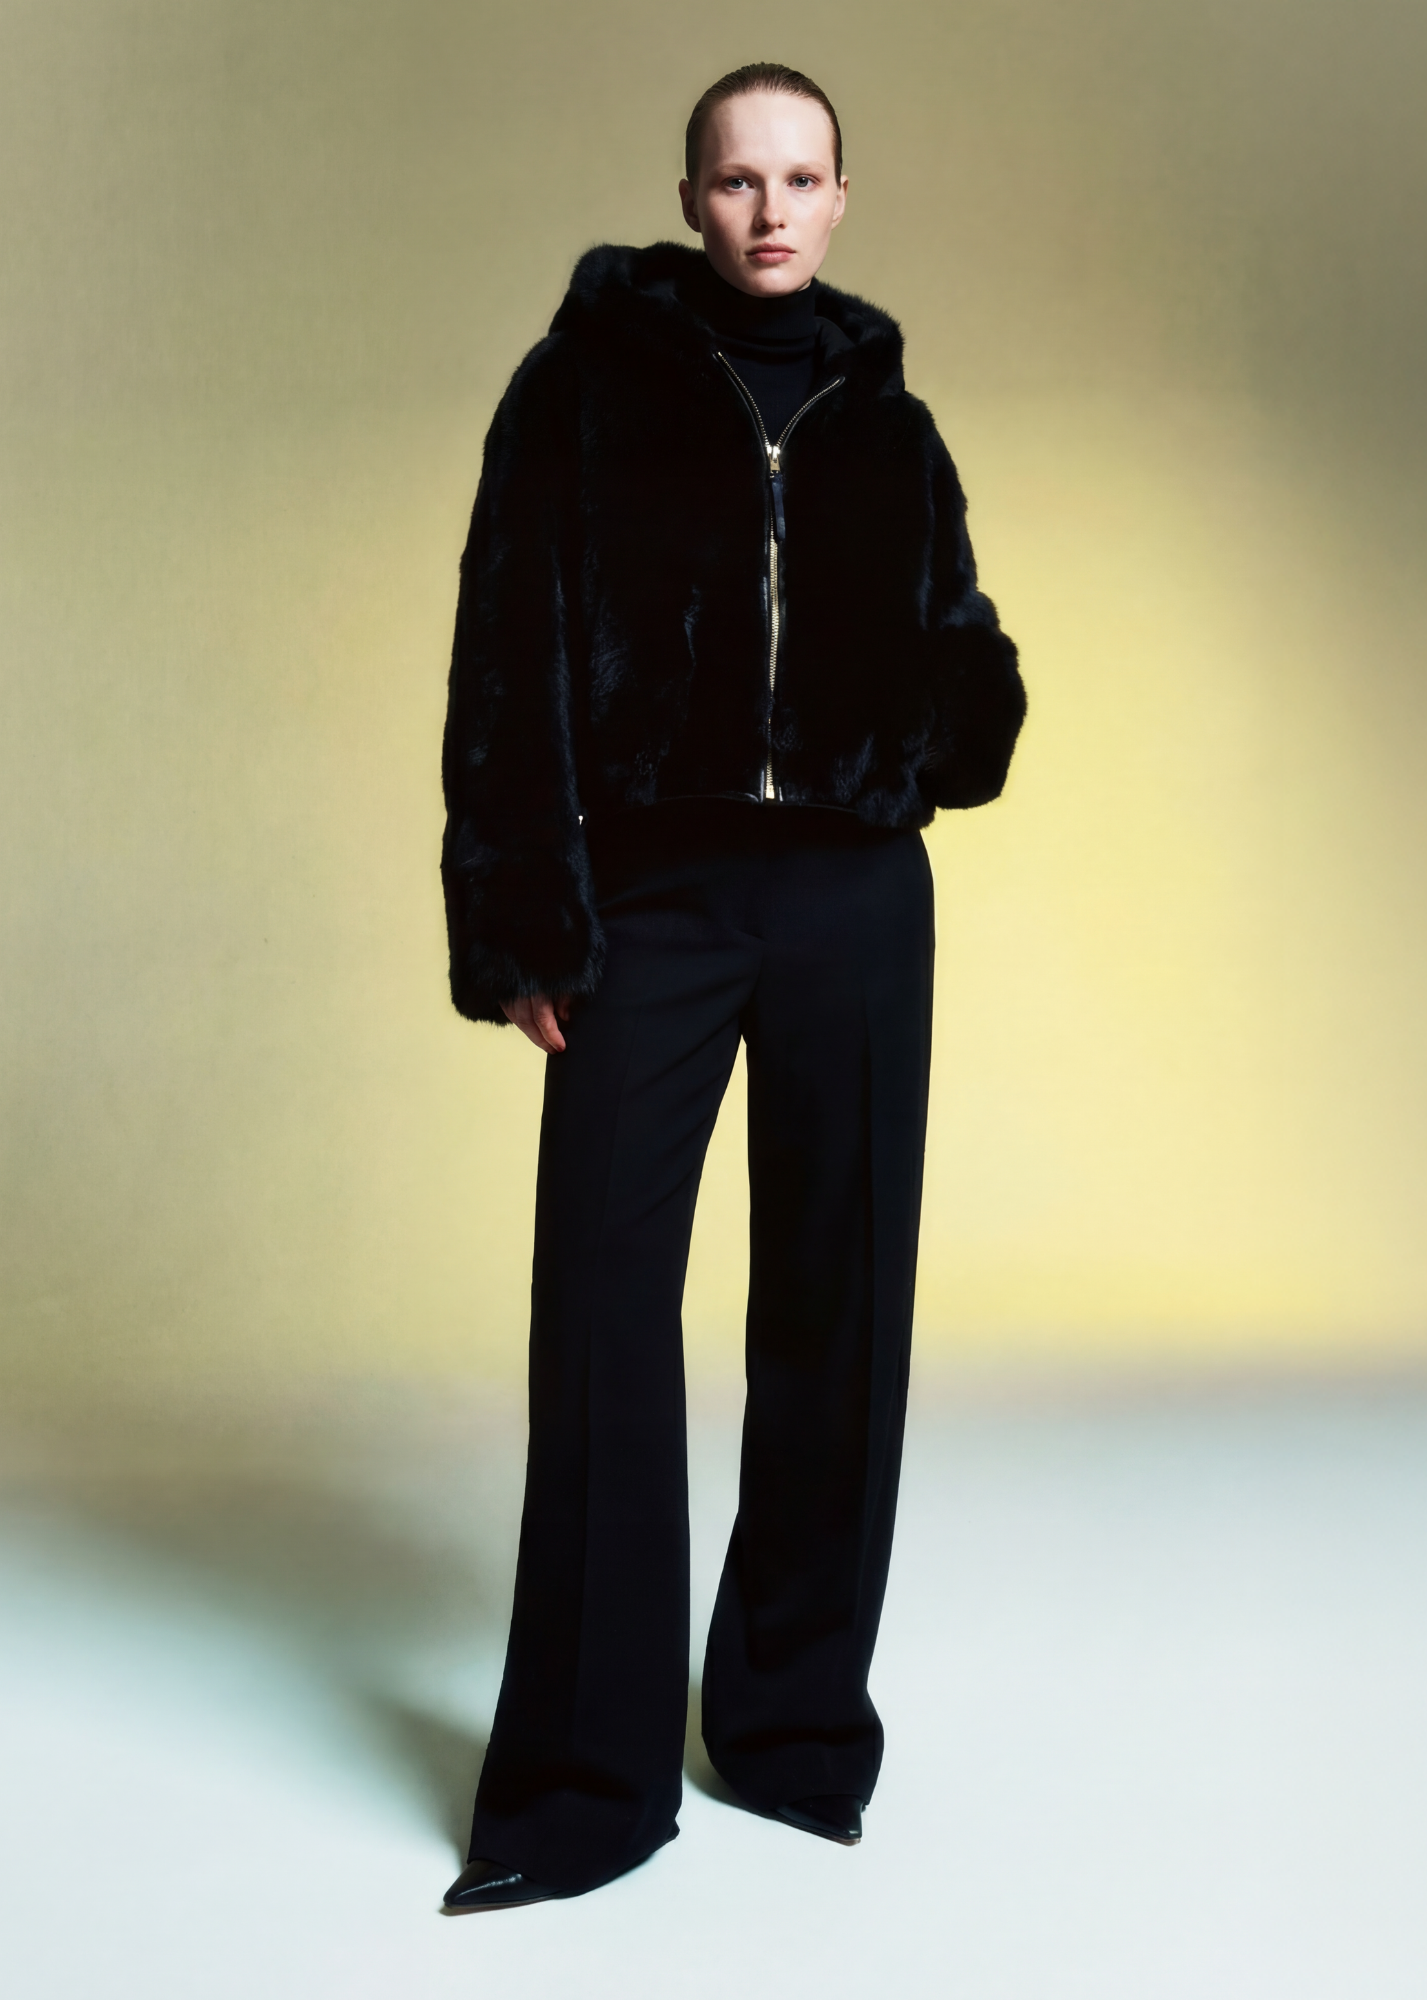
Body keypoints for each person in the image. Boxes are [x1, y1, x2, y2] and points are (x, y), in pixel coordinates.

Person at [438, 63, 1025, 1913]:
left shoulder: (891, 422)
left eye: (801, 177)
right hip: (657, 900)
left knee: (841, 1310)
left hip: (854, 897)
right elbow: (506, 647)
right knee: (604, 1309)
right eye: (737, 179)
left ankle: (788, 1728)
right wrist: (521, 918)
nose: (771, 210)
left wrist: (934, 728)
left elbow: (968, 651)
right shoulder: (581, 390)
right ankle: (584, 1786)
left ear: (842, 197)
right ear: (690, 196)